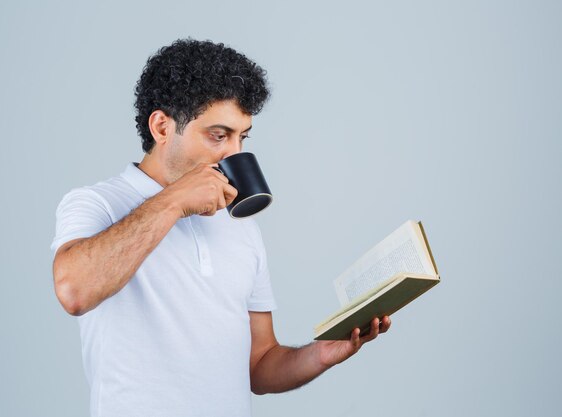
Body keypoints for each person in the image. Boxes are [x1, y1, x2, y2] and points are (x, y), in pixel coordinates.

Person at [50, 38, 391, 417]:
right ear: (162, 127)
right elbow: (74, 290)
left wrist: (322, 353)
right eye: (219, 135)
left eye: (241, 137)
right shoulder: (97, 203)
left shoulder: (240, 228)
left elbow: (259, 364)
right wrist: (175, 200)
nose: (235, 154)